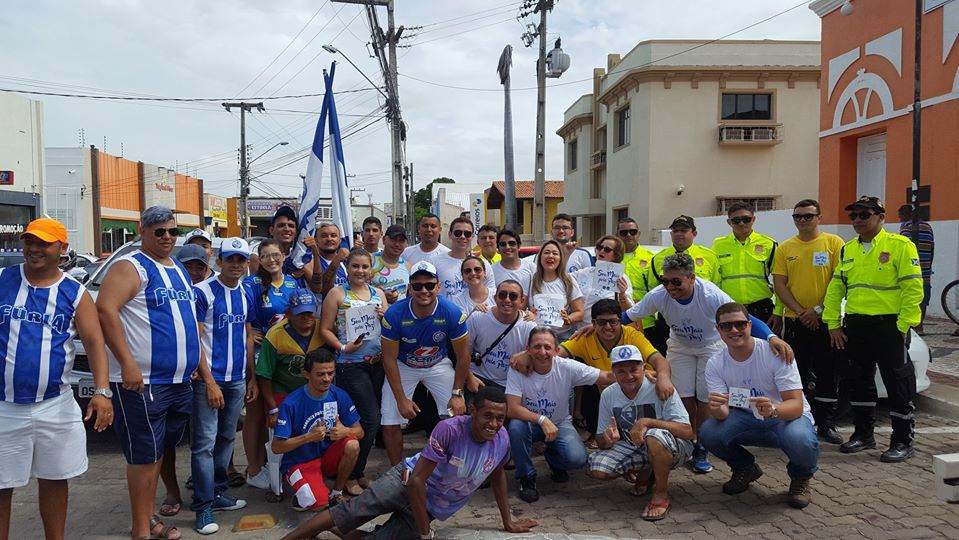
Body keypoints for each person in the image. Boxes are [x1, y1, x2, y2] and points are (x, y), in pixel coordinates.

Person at [277, 386, 539, 540]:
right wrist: (425, 535)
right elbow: (416, 481)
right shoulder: (449, 429)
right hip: (404, 481)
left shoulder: (503, 440)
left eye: (500, 418)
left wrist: (508, 521)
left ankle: (332, 527)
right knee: (353, 511)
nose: (494, 424)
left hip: (434, 505)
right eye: (488, 416)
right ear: (472, 411)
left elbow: (497, 476)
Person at [623, 253, 794, 476]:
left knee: (705, 398)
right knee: (681, 395)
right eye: (666, 281)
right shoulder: (659, 295)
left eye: (677, 282)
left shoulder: (711, 294)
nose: (670, 287)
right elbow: (627, 316)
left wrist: (772, 337)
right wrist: (596, 327)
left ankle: (702, 446)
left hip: (710, 346)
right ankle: (687, 440)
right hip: (680, 345)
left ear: (692, 278)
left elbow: (744, 316)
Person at [0, 218, 113, 540]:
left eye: (44, 243)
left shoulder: (75, 293)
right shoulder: (3, 280)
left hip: (55, 404)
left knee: (54, 478)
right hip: (4, 406)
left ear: (61, 249)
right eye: (29, 241)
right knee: (1, 484)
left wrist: (102, 391)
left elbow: (93, 342)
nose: (34, 249)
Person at [97, 206, 200, 540]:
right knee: (144, 457)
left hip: (178, 381)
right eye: (159, 232)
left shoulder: (178, 269)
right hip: (144, 382)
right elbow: (105, 309)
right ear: (142, 231)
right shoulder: (131, 266)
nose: (167, 237)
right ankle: (141, 531)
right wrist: (127, 363)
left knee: (156, 454)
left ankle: (147, 519)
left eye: (172, 231)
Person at [823, 196, 923, 462]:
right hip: (856, 325)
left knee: (898, 385)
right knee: (858, 381)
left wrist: (904, 326)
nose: (857, 221)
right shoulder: (848, 249)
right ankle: (863, 435)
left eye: (864, 215)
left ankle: (902, 441)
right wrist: (833, 324)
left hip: (889, 326)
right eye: (853, 216)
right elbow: (835, 289)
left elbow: (913, 289)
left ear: (881, 216)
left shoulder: (900, 245)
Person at [700, 302, 819, 509]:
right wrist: (716, 406)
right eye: (726, 326)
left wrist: (773, 410)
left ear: (749, 325)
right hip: (747, 418)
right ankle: (745, 468)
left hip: (784, 417)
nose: (734, 330)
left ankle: (800, 479)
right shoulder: (715, 363)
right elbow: (722, 414)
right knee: (708, 432)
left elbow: (796, 405)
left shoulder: (776, 353)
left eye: (739, 324)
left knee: (800, 438)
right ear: (717, 329)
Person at [506, 326, 615, 502]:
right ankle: (526, 477)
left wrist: (642, 374)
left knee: (577, 459)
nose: (542, 352)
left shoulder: (567, 367)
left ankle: (553, 458)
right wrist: (541, 419)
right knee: (516, 428)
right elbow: (512, 408)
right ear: (528, 349)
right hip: (529, 422)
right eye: (537, 346)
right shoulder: (518, 368)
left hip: (559, 423)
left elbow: (606, 376)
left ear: (557, 350)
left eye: (547, 347)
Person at [190, 238, 255, 534]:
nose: (236, 265)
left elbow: (247, 333)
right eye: (231, 259)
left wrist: (251, 376)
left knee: (226, 439)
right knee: (204, 443)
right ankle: (202, 507)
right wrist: (208, 381)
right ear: (219, 261)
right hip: (211, 380)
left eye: (241, 259)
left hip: (237, 378)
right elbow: (195, 340)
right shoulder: (203, 292)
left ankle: (217, 493)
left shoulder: (247, 291)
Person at [379, 261, 471, 465]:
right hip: (404, 365)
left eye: (429, 285)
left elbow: (464, 356)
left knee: (455, 414)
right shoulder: (394, 314)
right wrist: (401, 399)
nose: (424, 290)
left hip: (438, 364)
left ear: (438, 287)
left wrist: (457, 394)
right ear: (409, 288)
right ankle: (397, 472)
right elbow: (389, 358)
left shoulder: (452, 312)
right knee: (390, 419)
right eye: (417, 286)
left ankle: (453, 466)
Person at [587, 345, 693, 521]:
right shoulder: (608, 394)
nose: (628, 376)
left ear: (644, 368)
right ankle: (647, 470)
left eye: (634, 370)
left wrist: (648, 422)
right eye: (621, 371)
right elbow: (600, 441)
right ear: (613, 372)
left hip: (674, 447)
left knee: (654, 436)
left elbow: (688, 431)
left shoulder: (659, 386)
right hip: (635, 445)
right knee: (600, 469)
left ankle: (661, 495)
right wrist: (607, 439)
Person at [772, 199, 845, 444]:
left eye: (808, 216)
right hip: (795, 321)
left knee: (828, 374)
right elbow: (780, 284)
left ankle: (826, 424)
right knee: (796, 375)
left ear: (819, 217)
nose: (802, 220)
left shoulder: (834, 243)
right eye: (798, 216)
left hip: (825, 321)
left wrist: (817, 310)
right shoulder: (785, 248)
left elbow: (838, 281)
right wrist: (802, 312)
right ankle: (800, 421)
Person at [318, 248, 388, 496]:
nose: (360, 271)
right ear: (348, 267)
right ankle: (348, 474)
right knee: (369, 419)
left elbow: (387, 328)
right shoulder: (337, 293)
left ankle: (357, 471)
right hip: (350, 365)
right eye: (355, 266)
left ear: (371, 269)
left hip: (377, 364)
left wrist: (385, 316)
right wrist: (342, 347)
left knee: (372, 420)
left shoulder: (378, 293)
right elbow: (325, 329)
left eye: (365, 267)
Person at [556, 299, 673, 443]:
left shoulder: (632, 335)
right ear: (593, 323)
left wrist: (663, 378)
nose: (608, 327)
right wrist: (525, 356)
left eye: (613, 321)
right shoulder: (585, 338)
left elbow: (660, 361)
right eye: (601, 322)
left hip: (642, 393)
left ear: (620, 321)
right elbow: (553, 354)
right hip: (610, 399)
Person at [242, 239, 300, 489]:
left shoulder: (292, 282)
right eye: (266, 256)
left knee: (280, 411)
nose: (272, 260)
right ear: (259, 259)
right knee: (255, 413)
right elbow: (245, 321)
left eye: (276, 255)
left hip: (285, 357)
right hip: (260, 354)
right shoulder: (251, 284)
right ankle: (254, 468)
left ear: (284, 256)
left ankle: (280, 464)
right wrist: (250, 335)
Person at [272, 349, 363, 511]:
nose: (327, 379)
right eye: (320, 374)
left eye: (330, 373)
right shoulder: (291, 403)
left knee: (352, 444)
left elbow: (360, 431)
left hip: (326, 458)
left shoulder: (339, 395)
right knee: (318, 504)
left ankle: (336, 492)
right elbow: (277, 447)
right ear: (306, 374)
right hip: (300, 462)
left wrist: (345, 432)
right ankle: (306, 492)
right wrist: (308, 437)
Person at [648, 215, 720, 355]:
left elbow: (717, 285)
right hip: (670, 320)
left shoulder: (709, 256)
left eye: (684, 230)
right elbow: (652, 290)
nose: (679, 234)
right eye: (675, 231)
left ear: (694, 233)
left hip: (703, 319)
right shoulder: (658, 258)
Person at [255, 289, 327, 429]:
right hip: (283, 393)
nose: (306, 317)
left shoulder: (323, 329)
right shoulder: (275, 335)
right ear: (288, 313)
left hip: (316, 393)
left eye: (310, 312)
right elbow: (264, 375)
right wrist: (273, 408)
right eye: (300, 313)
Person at [711, 201, 780, 330]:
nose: (741, 223)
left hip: (761, 309)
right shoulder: (718, 245)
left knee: (765, 348)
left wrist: (778, 312)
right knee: (732, 349)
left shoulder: (769, 244)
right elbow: (713, 279)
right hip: (729, 309)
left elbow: (780, 280)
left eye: (746, 219)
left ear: (753, 219)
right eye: (736, 220)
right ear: (729, 222)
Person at [465, 280, 537, 396]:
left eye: (513, 296)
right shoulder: (478, 317)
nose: (507, 300)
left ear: (522, 300)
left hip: (510, 384)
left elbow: (539, 356)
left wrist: (527, 354)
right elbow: (463, 352)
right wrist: (469, 378)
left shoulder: (529, 325)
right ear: (495, 298)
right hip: (478, 377)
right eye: (502, 295)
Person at [529, 240, 585, 340]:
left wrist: (568, 319)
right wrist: (529, 314)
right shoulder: (530, 280)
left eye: (555, 253)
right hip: (536, 336)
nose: (550, 256)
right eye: (546, 252)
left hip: (561, 336)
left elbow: (579, 312)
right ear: (540, 257)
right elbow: (521, 307)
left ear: (560, 258)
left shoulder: (568, 281)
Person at [571, 235, 633, 325]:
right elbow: (561, 277)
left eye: (607, 249)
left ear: (616, 255)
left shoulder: (621, 278)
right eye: (599, 247)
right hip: (580, 332)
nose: (602, 251)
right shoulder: (584, 272)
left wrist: (622, 294)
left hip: (605, 331)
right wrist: (567, 254)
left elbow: (628, 311)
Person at [434, 217, 495, 299]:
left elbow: (491, 295)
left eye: (467, 234)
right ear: (450, 234)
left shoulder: (484, 264)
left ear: (472, 237)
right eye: (458, 233)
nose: (462, 237)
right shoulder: (435, 262)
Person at [898, 204, 935, 335]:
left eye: (900, 216)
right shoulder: (928, 227)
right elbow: (932, 248)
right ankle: (920, 327)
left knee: (908, 296)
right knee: (923, 298)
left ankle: (910, 326)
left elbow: (902, 249)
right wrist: (929, 266)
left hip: (910, 269)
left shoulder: (906, 227)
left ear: (904, 215)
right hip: (925, 269)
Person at [619, 217, 657, 332]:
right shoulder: (609, 258)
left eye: (633, 232)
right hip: (616, 321)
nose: (629, 235)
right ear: (617, 235)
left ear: (639, 234)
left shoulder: (651, 258)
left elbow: (656, 290)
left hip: (646, 321)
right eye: (624, 233)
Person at [371, 224, 411, 304]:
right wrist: (381, 295)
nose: (397, 244)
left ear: (406, 244)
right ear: (384, 240)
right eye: (393, 239)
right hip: (375, 315)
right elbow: (357, 289)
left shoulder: (409, 266)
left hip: (399, 315)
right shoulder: (370, 260)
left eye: (401, 241)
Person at [309, 222, 349, 297]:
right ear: (316, 240)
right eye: (324, 236)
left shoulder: (347, 261)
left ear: (340, 240)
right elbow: (323, 290)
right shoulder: (311, 262)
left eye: (333, 236)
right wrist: (337, 260)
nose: (329, 239)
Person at [491, 228, 535, 295]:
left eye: (512, 243)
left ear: (519, 246)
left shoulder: (532, 268)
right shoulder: (491, 271)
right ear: (498, 249)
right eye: (503, 244)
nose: (507, 247)